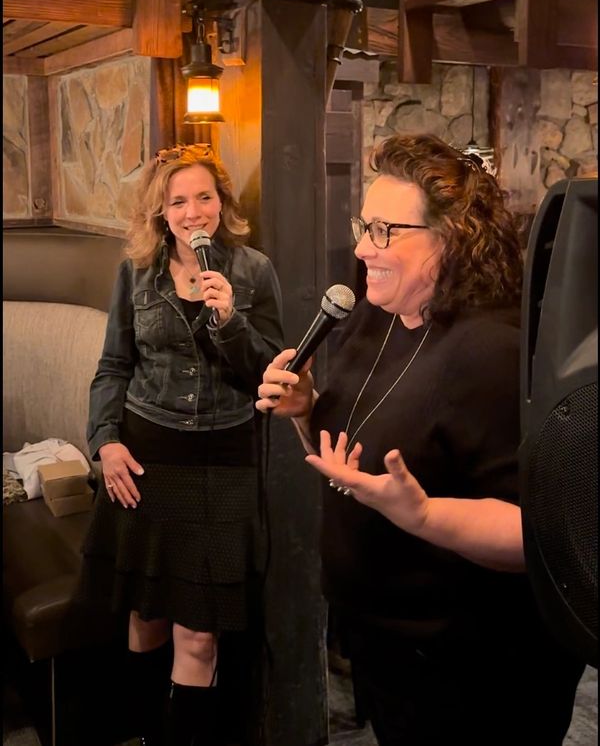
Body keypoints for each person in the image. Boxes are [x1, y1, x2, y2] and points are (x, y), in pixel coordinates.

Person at [256, 134, 585, 746]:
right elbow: (353, 452)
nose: (360, 247)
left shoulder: (493, 350)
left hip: (477, 671)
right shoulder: (375, 315)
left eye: (384, 230)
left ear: (452, 238)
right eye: (364, 225)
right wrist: (306, 409)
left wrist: (426, 514)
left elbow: (540, 534)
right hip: (387, 649)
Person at [77, 143, 284, 746]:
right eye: (179, 201)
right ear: (160, 213)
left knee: (200, 634)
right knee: (146, 618)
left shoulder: (252, 272)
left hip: (223, 465)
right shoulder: (134, 273)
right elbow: (113, 365)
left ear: (222, 204)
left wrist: (230, 321)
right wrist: (105, 443)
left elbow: (273, 373)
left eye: (204, 197)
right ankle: (142, 732)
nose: (194, 211)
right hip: (146, 456)